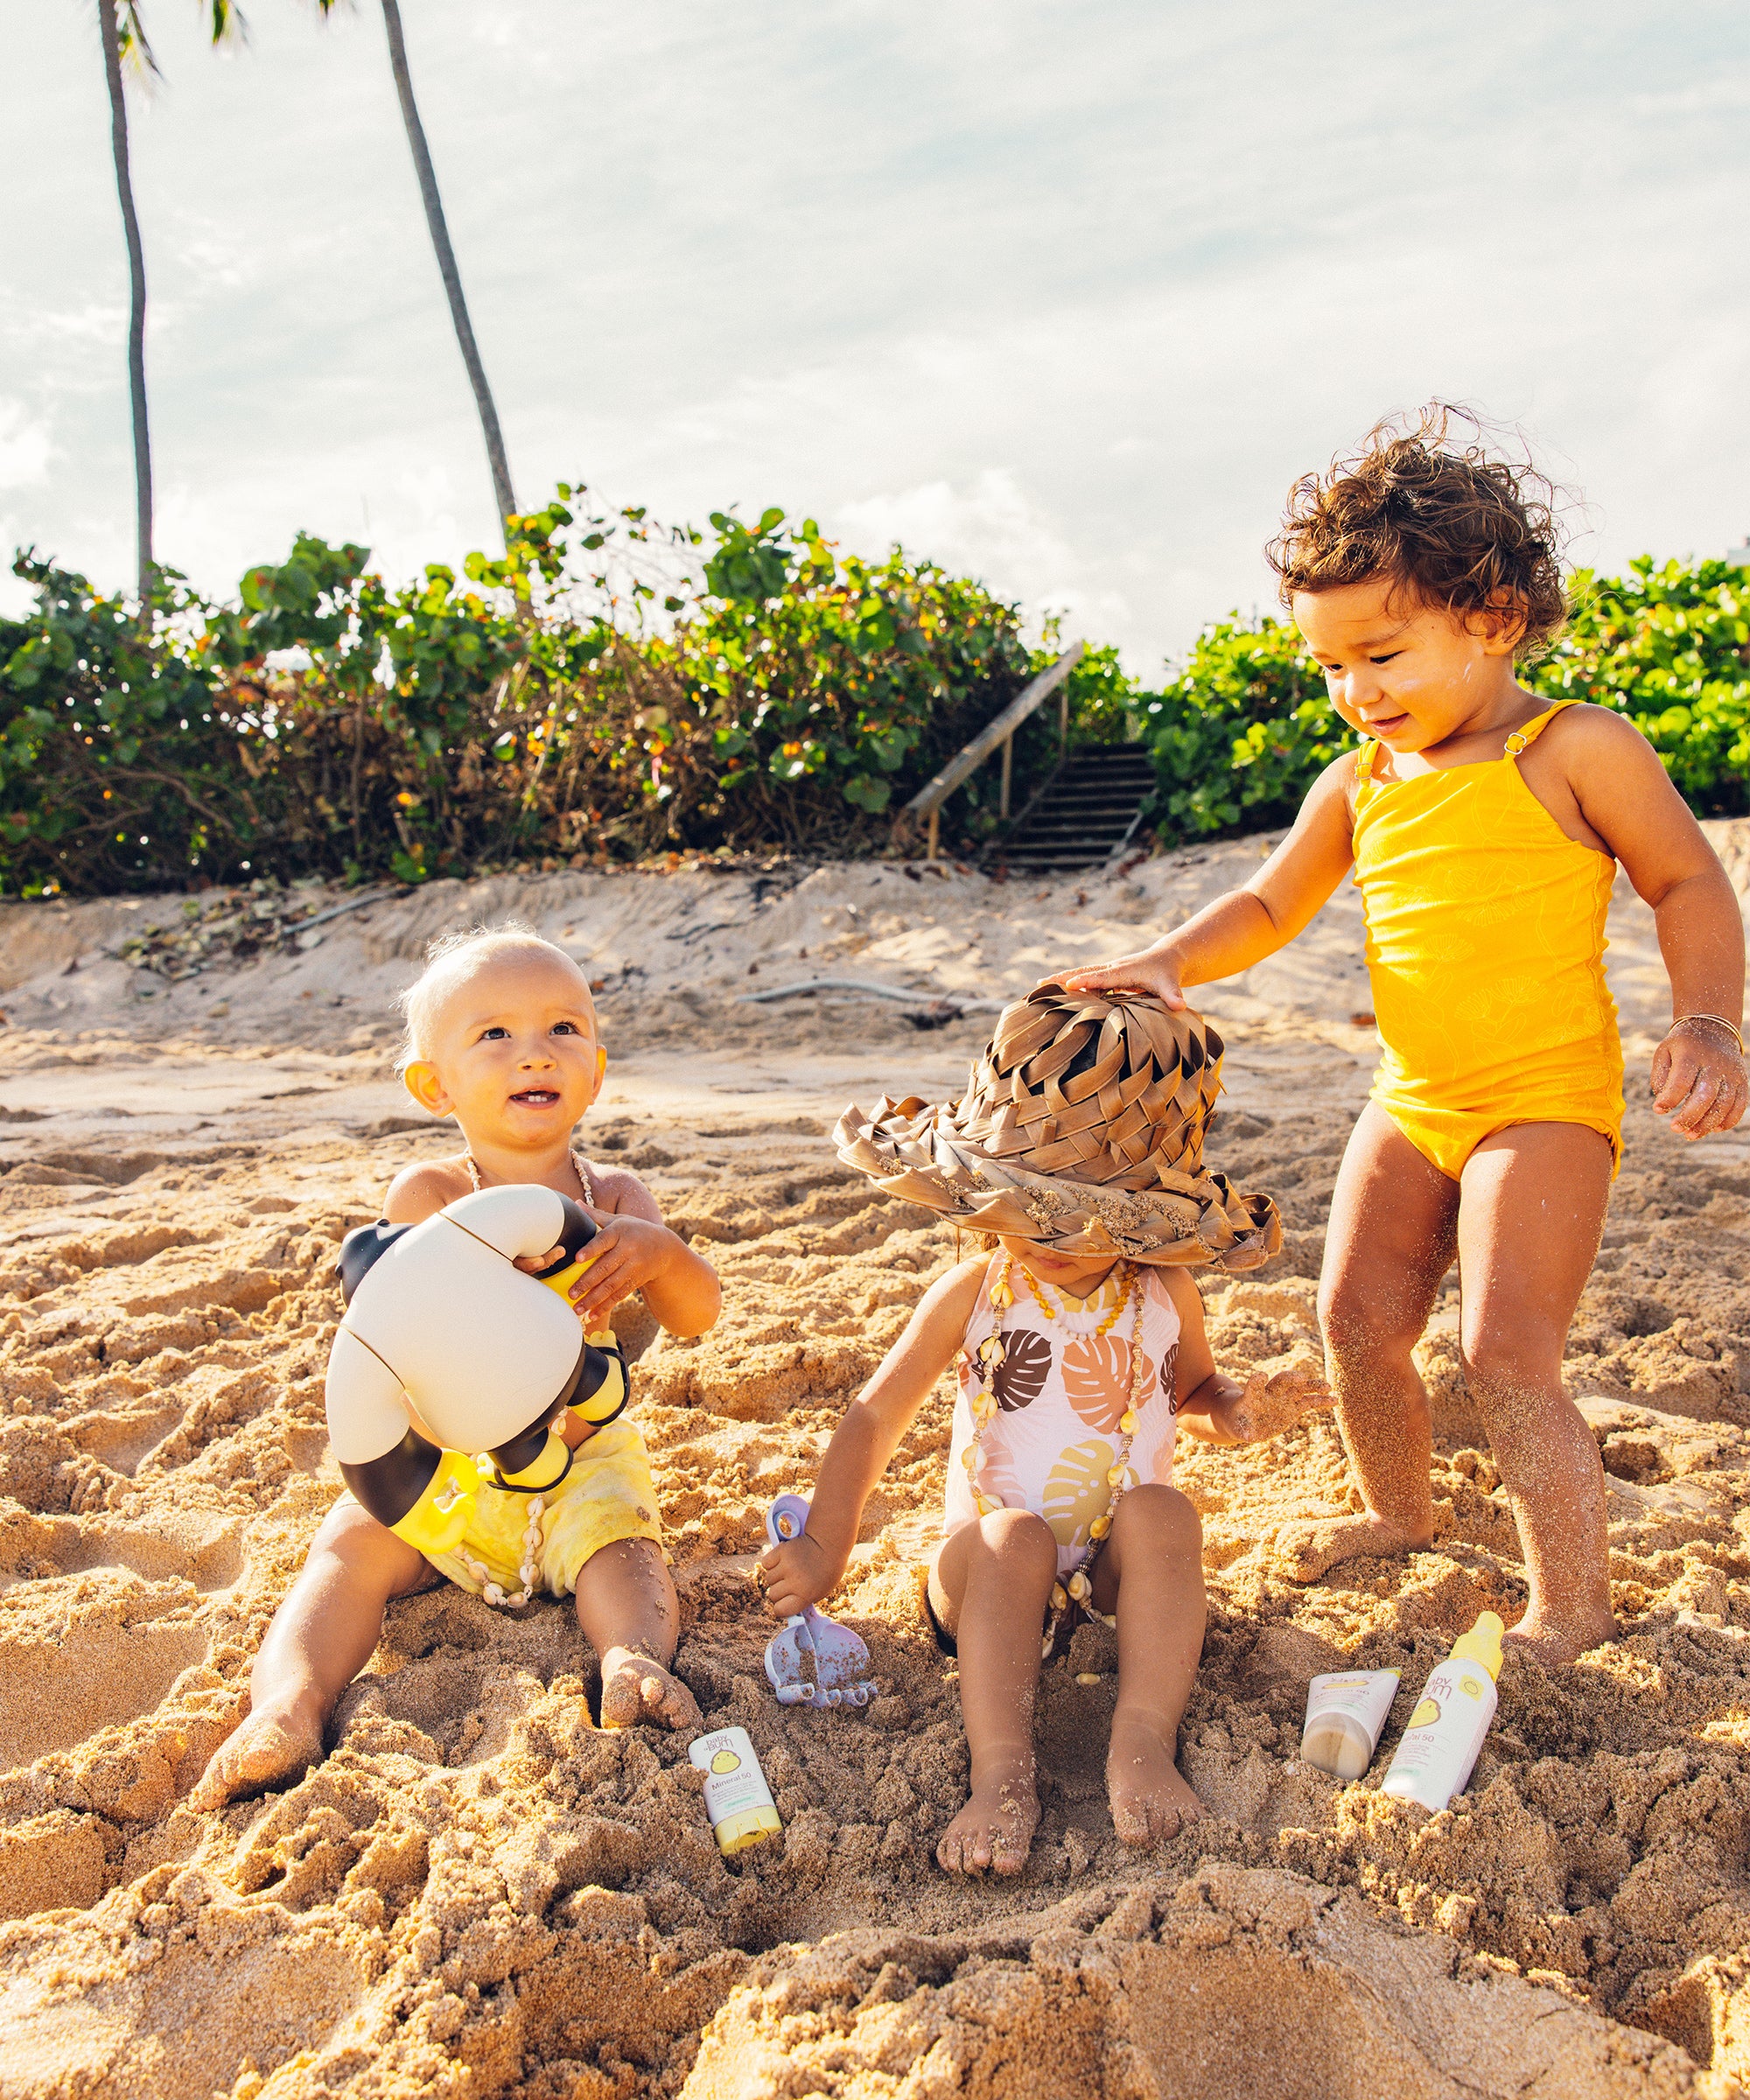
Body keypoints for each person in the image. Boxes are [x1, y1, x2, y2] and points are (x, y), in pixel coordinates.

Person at [1062, 410, 1747, 1666]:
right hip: (1414, 1095)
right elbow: (1270, 902)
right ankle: (1398, 1508)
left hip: (1543, 1104)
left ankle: (1574, 1605)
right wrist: (1169, 961)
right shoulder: (1360, 783)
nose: (1353, 693)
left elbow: (1689, 884)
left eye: (1380, 655)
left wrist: (1707, 1023)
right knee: (1357, 1317)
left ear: (1490, 618)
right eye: (1329, 667)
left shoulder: (1573, 748)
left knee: (1504, 1350)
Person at [760, 983, 1331, 1874]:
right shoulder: (976, 1290)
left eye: (1076, 1216)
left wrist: (1239, 1409)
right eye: (1025, 1208)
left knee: (1165, 1516)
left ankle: (1139, 1737)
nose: (1046, 1235)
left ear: (1142, 1213)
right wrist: (825, 1545)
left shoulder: (1161, 1292)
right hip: (984, 1568)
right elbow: (875, 1413)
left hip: (1110, 1563)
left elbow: (1193, 1391)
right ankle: (1000, 1773)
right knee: (1010, 1539)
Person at [192, 927, 721, 1810]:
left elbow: (697, 1317)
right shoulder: (430, 1196)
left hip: (580, 1456)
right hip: (450, 1466)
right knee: (349, 1548)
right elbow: (401, 1329)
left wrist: (661, 1257)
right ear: (434, 1085)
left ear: (594, 1068)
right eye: (494, 1036)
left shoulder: (618, 1200)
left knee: (625, 1553)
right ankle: (289, 1705)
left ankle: (627, 1660)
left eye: (563, 1029)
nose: (533, 1054)